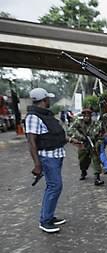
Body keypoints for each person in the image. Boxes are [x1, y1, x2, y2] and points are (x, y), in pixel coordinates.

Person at [25, 88, 67, 234]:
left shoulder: (46, 115)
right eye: (48, 98)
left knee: (54, 187)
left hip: (56, 155)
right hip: (48, 158)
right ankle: (45, 221)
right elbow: (31, 142)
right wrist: (37, 164)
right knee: (54, 186)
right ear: (44, 100)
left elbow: (55, 135)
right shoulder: (33, 117)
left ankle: (49, 216)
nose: (49, 100)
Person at [67, 108, 105, 186]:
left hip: (93, 144)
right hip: (83, 144)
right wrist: (80, 137)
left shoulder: (96, 123)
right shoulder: (79, 122)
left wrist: (98, 144)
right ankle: (83, 171)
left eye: (88, 115)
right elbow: (69, 130)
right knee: (83, 161)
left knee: (96, 160)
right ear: (83, 116)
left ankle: (97, 178)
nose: (86, 117)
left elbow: (101, 136)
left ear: (91, 116)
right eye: (85, 116)